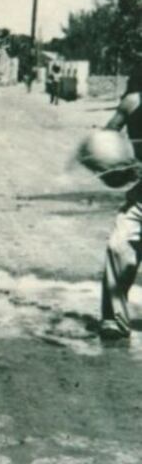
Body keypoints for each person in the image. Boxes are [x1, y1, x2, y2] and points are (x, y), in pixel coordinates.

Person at [98, 66, 142, 340]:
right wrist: (120, 164)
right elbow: (106, 136)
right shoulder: (133, 101)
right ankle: (113, 319)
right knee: (118, 246)